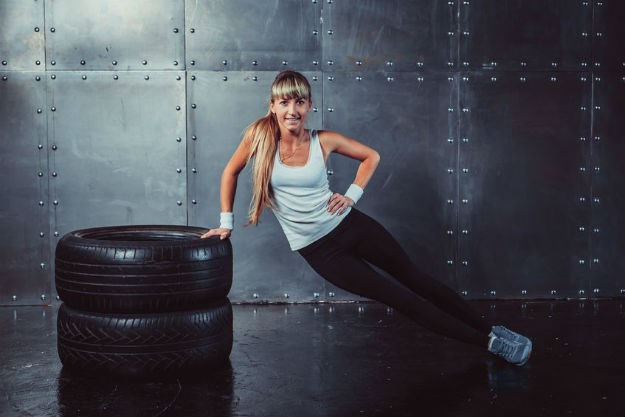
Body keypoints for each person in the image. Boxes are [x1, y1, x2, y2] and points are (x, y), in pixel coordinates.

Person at [201, 70, 532, 366]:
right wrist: (226, 222)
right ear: (272, 105)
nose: (292, 110)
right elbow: (230, 172)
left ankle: (490, 327)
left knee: (416, 280)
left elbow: (371, 156)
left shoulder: (323, 140)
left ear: (309, 105)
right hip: (318, 249)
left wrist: (351, 196)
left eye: (299, 101)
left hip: (351, 226)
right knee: (399, 298)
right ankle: (489, 344)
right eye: (285, 102)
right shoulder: (258, 138)